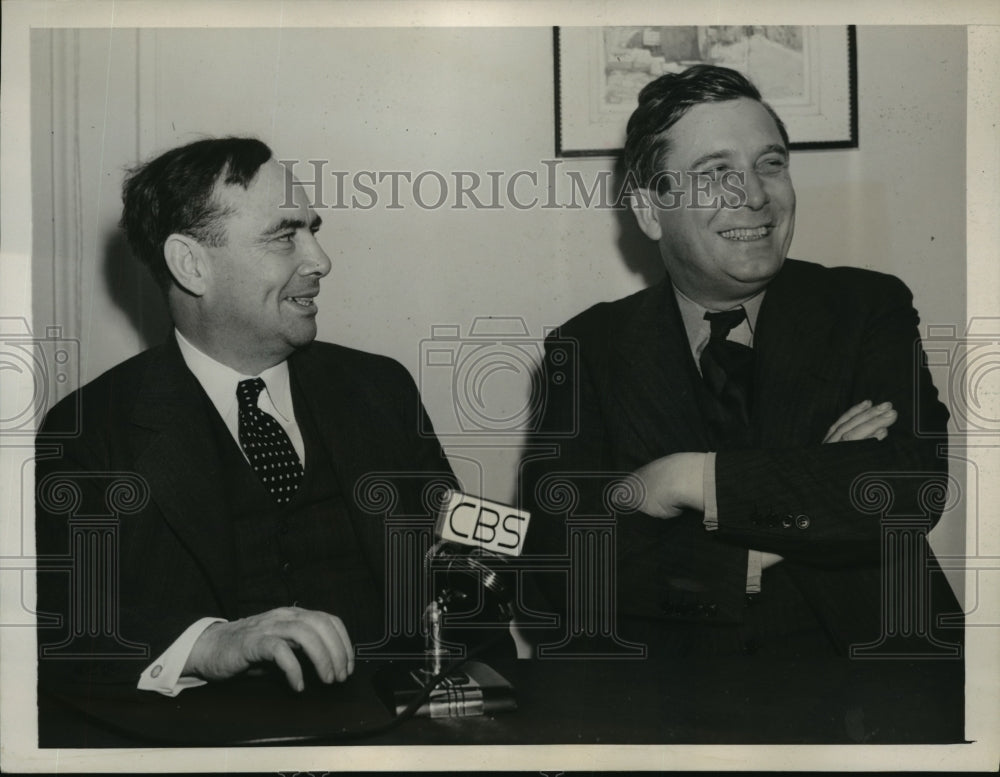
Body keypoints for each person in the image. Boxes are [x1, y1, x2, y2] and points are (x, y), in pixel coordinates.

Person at [521, 65, 963, 659]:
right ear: (652, 210)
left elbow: (907, 487)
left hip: (873, 667)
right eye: (717, 172)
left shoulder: (864, 306)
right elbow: (558, 561)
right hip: (667, 691)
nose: (755, 195)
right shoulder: (586, 347)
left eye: (770, 163)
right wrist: (786, 519)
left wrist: (676, 480)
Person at [35, 137, 455, 700]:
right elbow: (58, 623)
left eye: (312, 229)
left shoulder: (381, 390)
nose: (320, 261)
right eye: (285, 236)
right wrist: (208, 645)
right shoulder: (88, 432)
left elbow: (462, 582)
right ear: (191, 264)